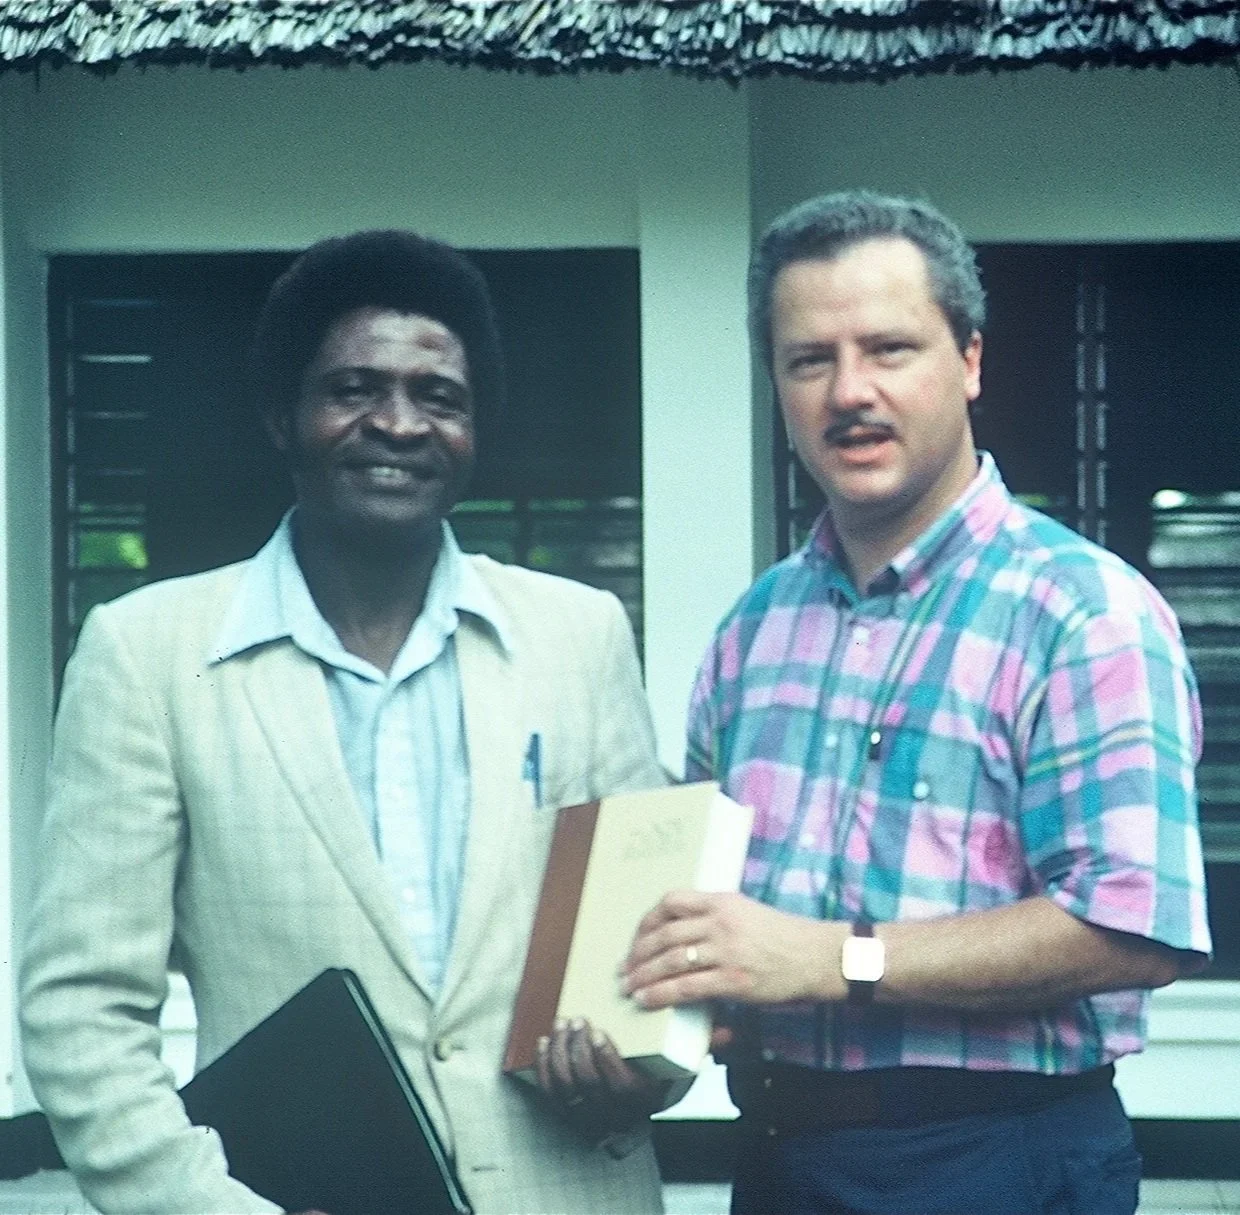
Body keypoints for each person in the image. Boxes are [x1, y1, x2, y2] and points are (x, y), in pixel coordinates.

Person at [21, 230, 669, 1214]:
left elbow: (647, 943)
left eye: (438, 398)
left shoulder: (578, 636)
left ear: (476, 429)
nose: (398, 424)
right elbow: (82, 1012)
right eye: (353, 389)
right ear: (283, 415)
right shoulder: (148, 654)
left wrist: (647, 1065)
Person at [622, 191, 1212, 1215]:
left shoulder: (1083, 615)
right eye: (810, 359)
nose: (849, 391)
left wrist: (827, 958)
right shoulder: (749, 634)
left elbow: (1132, 926)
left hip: (996, 1159)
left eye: (889, 348)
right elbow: (720, 918)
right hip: (773, 1154)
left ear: (970, 361)